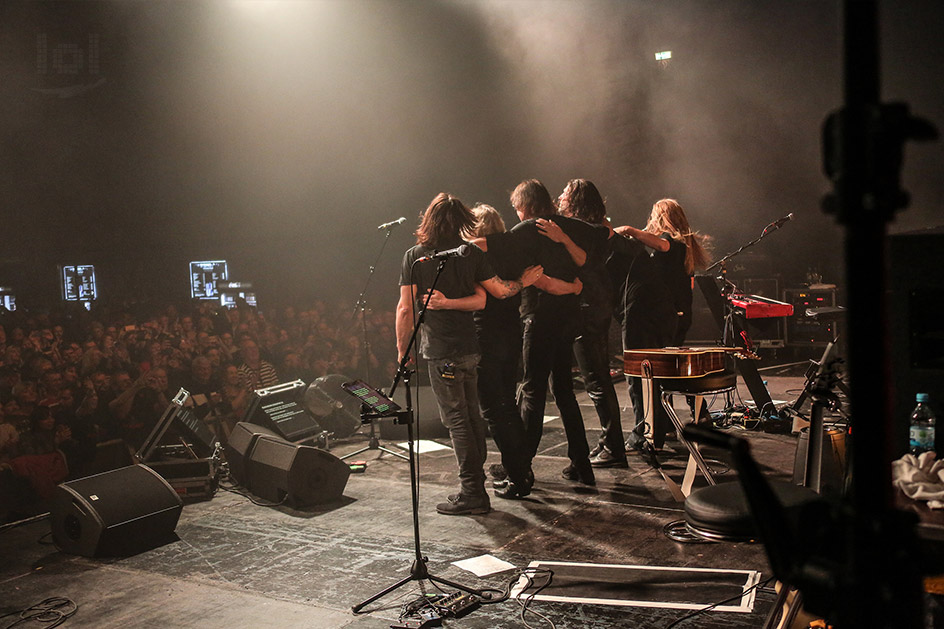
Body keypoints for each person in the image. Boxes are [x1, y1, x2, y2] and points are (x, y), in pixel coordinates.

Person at [395, 193, 541, 516]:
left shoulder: (415, 257)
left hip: (440, 350)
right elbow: (498, 292)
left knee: (457, 420)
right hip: (470, 350)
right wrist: (523, 281)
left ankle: (472, 489)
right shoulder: (469, 253)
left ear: (428, 220)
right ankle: (476, 483)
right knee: (471, 414)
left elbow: (405, 309)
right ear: (462, 221)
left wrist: (402, 350)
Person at [468, 204, 581, 499]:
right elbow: (538, 284)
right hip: (512, 334)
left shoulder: (475, 253)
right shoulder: (516, 250)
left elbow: (486, 294)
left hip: (486, 336)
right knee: (507, 405)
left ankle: (518, 476)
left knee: (494, 409)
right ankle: (519, 468)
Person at [507, 179, 597, 486]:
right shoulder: (567, 226)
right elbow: (584, 260)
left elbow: (540, 281)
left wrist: (566, 287)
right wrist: (573, 287)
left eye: (517, 208)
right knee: (564, 391)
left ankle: (520, 469)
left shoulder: (523, 232)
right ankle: (582, 465)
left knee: (533, 390)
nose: (517, 214)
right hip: (568, 317)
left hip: (541, 318)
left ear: (526, 205)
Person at [613, 198, 712, 450]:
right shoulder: (685, 247)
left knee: (653, 371)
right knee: (667, 372)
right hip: (678, 315)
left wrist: (629, 231)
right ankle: (672, 422)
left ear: (662, 217)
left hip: (668, 316)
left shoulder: (672, 244)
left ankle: (651, 428)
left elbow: (661, 244)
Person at [554, 179, 628, 468]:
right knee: (597, 377)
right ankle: (611, 442)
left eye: (565, 193)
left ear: (577, 200)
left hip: (590, 304)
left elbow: (586, 263)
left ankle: (614, 446)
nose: (559, 196)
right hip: (595, 302)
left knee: (596, 378)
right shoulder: (594, 228)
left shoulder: (591, 231)